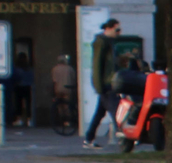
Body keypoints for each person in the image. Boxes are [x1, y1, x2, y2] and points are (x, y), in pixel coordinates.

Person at [83, 18, 124, 147]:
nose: (119, 33)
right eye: (117, 30)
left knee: (100, 113)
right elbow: (97, 64)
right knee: (115, 110)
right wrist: (99, 86)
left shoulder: (109, 42)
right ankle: (123, 136)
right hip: (106, 84)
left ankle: (89, 138)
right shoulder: (101, 42)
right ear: (109, 28)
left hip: (108, 83)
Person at [50, 54, 76, 130]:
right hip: (68, 89)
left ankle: (61, 120)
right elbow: (73, 79)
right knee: (67, 105)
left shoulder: (55, 69)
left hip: (58, 88)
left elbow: (54, 81)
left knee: (60, 106)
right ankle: (68, 121)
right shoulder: (70, 69)